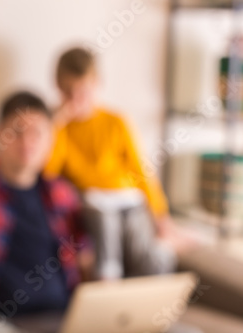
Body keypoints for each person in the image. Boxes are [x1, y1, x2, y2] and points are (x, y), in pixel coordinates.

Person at [45, 47, 195, 280]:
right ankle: (108, 276)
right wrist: (58, 126)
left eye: (82, 91)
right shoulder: (55, 128)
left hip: (128, 202)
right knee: (103, 224)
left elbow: (141, 171)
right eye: (69, 92)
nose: (76, 99)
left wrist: (162, 218)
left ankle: (164, 250)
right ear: (58, 88)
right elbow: (48, 176)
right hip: (93, 206)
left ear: (96, 84)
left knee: (148, 262)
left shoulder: (116, 122)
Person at [0, 91, 93, 333]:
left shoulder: (61, 194)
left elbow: (85, 254)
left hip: (62, 318)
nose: (27, 142)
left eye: (37, 133)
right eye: (16, 132)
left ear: (50, 139)